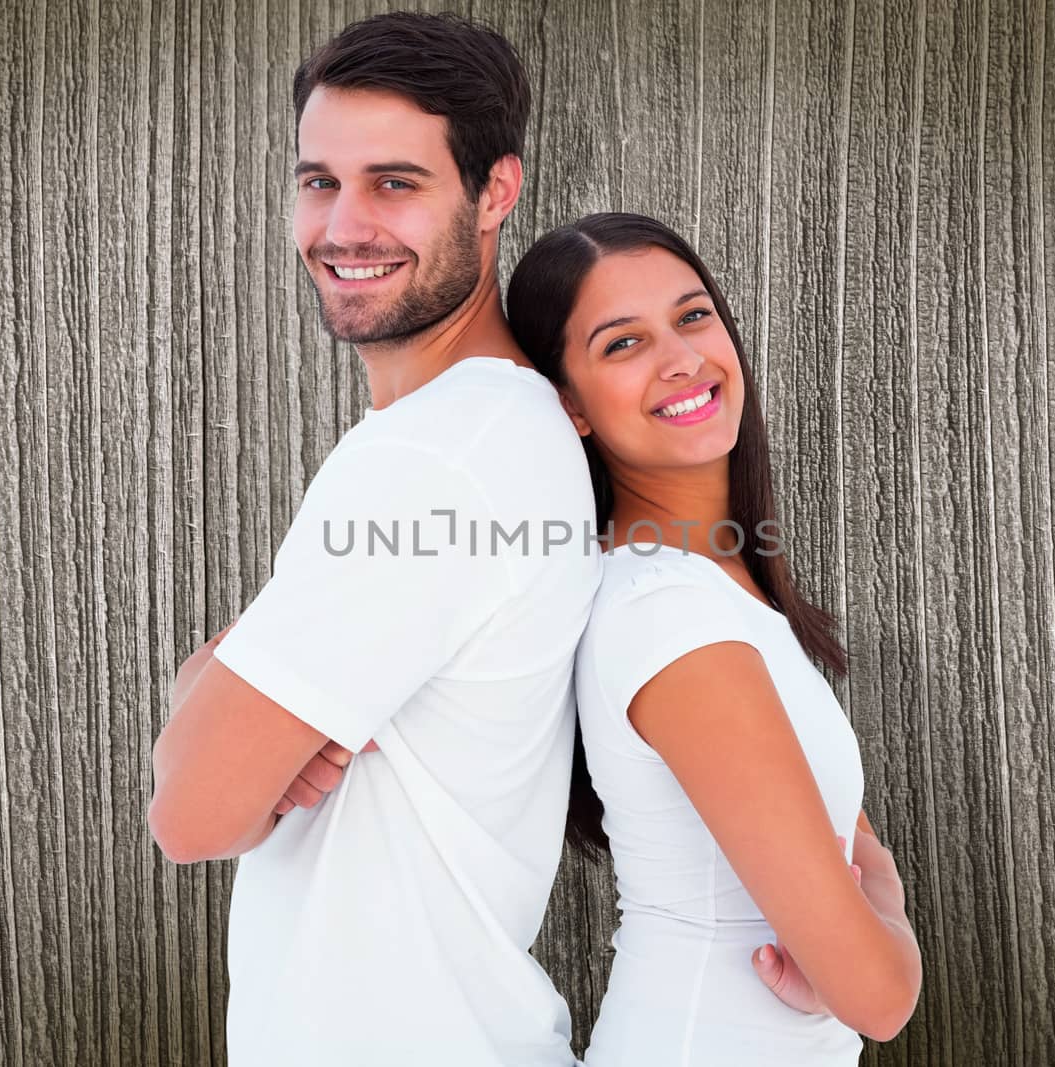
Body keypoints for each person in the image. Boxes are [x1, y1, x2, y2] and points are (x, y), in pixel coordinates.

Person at [146, 14, 600, 1066]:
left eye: (395, 182)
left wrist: (202, 708)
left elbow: (193, 813)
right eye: (318, 181)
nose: (343, 226)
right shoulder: (479, 430)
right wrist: (217, 722)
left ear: (494, 191)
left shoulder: (437, 456)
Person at [505, 212, 923, 1064]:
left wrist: (871, 900)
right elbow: (875, 993)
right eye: (623, 343)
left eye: (693, 316)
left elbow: (849, 831)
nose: (682, 358)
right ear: (570, 405)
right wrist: (892, 934)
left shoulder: (713, 589)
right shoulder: (669, 614)